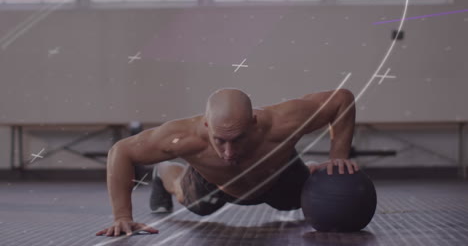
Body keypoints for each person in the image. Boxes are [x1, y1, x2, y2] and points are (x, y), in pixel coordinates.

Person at [96, 88, 359, 237]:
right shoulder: (183, 137)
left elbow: (341, 100)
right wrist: (122, 216)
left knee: (295, 200)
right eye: (220, 141)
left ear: (254, 123)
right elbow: (121, 152)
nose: (229, 153)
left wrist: (338, 155)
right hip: (213, 186)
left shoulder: (283, 122)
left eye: (239, 139)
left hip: (277, 175)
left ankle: (310, 170)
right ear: (207, 125)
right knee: (192, 201)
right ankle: (165, 174)